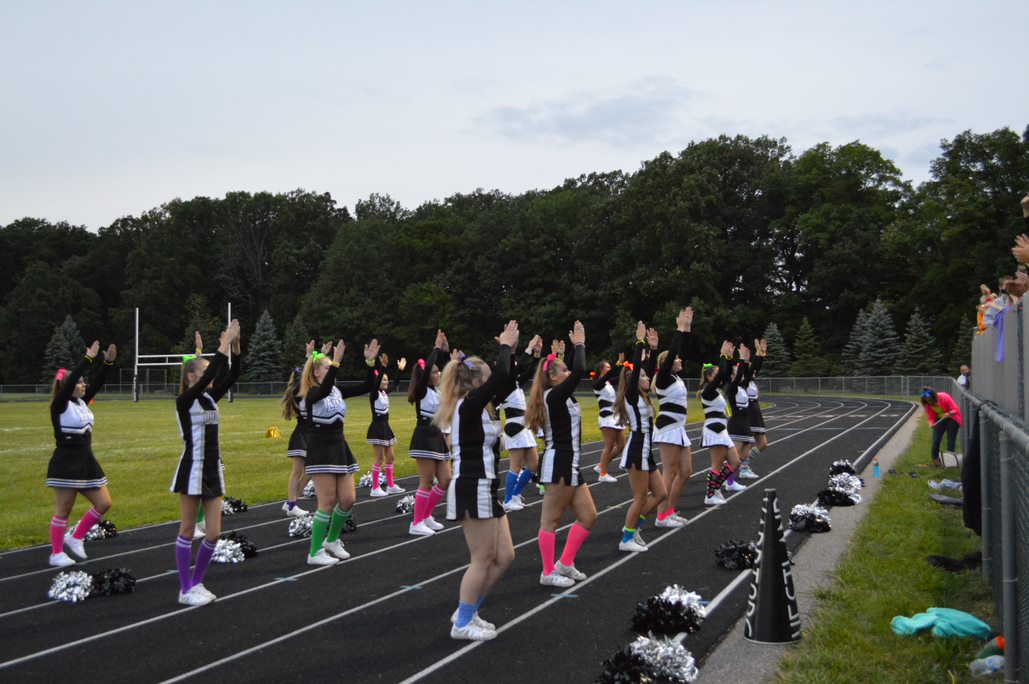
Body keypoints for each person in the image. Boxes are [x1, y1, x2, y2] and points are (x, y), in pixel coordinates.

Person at [435, 320, 520, 641]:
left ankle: (468, 611)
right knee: (482, 558)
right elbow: (500, 376)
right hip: (472, 486)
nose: (493, 385)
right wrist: (506, 348)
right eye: (487, 379)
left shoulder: (479, 408)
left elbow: (506, 378)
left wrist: (513, 352)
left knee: (505, 556)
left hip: (485, 487)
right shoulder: (467, 405)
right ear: (476, 382)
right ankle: (463, 622)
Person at [171, 320, 241, 606]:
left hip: (212, 468)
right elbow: (212, 371)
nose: (210, 377)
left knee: (213, 532)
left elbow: (233, 373)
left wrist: (235, 347)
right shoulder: (185, 401)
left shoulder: (211, 399)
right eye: (202, 373)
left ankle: (197, 582)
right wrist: (222, 346)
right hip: (192, 468)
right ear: (191, 378)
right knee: (188, 529)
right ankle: (185, 588)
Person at [525, 321, 597, 587]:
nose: (569, 373)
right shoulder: (552, 397)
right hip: (559, 462)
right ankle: (547, 571)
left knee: (589, 515)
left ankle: (565, 563)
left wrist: (557, 356)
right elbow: (579, 370)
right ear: (553, 378)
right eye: (562, 371)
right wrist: (580, 343)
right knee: (551, 520)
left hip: (572, 463)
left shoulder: (560, 394)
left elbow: (567, 372)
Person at [299, 335, 381, 565]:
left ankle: (332, 540)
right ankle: (314, 552)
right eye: (326, 367)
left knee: (348, 499)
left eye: (331, 366)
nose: (332, 369)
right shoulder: (311, 393)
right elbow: (323, 391)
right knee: (326, 501)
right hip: (321, 447)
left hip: (339, 446)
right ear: (316, 372)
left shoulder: (335, 389)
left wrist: (370, 364)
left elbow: (368, 386)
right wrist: (335, 361)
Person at [46, 340, 117, 567]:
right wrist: (87, 359)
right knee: (64, 510)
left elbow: (97, 384)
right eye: (79, 382)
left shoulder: (81, 403)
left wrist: (107, 363)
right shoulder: (60, 405)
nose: (83, 385)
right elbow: (69, 383)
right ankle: (56, 552)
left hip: (86, 461)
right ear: (68, 386)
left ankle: (75, 537)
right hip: (66, 463)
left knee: (104, 503)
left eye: (83, 382)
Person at [614, 322, 667, 552]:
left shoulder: (643, 397)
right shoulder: (632, 395)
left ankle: (634, 528)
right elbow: (636, 372)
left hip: (646, 450)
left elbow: (642, 372)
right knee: (639, 497)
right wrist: (639, 343)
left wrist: (653, 350)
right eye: (643, 376)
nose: (647, 378)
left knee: (661, 493)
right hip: (637, 448)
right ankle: (626, 538)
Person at [406, 330, 452, 536]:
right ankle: (416, 522)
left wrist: (446, 352)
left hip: (437, 436)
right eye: (434, 372)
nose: (438, 374)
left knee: (445, 480)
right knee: (426, 480)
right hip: (424, 436)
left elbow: (451, 373)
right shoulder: (422, 390)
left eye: (438, 371)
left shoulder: (438, 390)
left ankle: (426, 515)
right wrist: (435, 348)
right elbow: (425, 374)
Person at [652, 308, 694, 528]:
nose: (679, 359)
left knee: (686, 472)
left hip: (679, 428)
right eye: (675, 358)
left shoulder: (676, 377)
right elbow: (674, 352)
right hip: (668, 427)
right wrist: (678, 329)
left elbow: (683, 349)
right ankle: (661, 516)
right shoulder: (663, 378)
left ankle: (669, 510)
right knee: (670, 472)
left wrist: (687, 328)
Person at [499, 334, 543, 512]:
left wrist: (537, 353)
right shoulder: (504, 384)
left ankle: (516, 493)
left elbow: (531, 370)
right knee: (515, 465)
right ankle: (508, 499)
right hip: (514, 427)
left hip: (523, 427)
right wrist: (528, 347)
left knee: (533, 465)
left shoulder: (515, 383)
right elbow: (519, 364)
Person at [698, 342, 743, 505]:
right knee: (716, 464)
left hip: (721, 429)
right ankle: (710, 495)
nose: (720, 377)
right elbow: (723, 373)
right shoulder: (708, 390)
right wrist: (723, 355)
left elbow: (726, 373)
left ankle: (715, 487)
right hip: (714, 429)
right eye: (716, 375)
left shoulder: (715, 390)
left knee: (735, 462)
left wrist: (729, 357)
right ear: (710, 377)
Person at [280, 340, 316, 518]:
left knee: (309, 471)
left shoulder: (306, 391)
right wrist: (309, 357)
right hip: (302, 434)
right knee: (297, 472)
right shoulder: (298, 392)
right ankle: (292, 504)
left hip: (310, 434)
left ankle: (290, 502)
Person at [367, 354, 407, 498]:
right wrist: (382, 367)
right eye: (383, 379)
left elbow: (395, 383)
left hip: (386, 427)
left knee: (390, 457)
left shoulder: (384, 393)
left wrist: (400, 370)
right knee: (379, 458)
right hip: (377, 428)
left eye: (386, 380)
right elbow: (377, 380)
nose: (385, 381)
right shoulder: (374, 394)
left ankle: (390, 485)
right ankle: (375, 487)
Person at [591, 354, 625, 483]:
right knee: (609, 445)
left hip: (616, 416)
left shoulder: (608, 382)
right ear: (601, 370)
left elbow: (622, 378)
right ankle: (603, 473)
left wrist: (636, 363)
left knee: (621, 445)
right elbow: (608, 375)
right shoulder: (597, 383)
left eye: (610, 366)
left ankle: (601, 466)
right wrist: (618, 364)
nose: (609, 368)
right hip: (606, 417)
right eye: (607, 367)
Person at [920, 387, 963, 467]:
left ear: (934, 397)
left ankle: (950, 462)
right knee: (936, 440)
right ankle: (935, 460)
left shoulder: (944, 397)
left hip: (952, 418)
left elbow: (955, 409)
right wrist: (931, 423)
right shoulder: (928, 405)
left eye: (930, 400)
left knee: (951, 440)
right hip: (940, 419)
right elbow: (931, 417)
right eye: (927, 401)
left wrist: (949, 413)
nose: (930, 402)